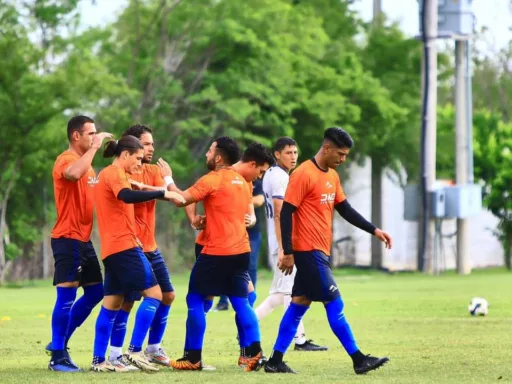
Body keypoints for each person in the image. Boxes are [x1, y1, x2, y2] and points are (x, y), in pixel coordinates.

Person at [264, 127, 392, 375]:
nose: (343, 159)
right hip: (308, 251)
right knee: (335, 302)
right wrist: (288, 251)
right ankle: (358, 359)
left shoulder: (332, 176)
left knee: (298, 304)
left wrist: (374, 230)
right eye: (341, 154)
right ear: (327, 148)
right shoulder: (303, 174)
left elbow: (345, 209)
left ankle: (275, 361)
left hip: (320, 251)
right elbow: (287, 212)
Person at [167, 137, 264, 371]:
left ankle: (192, 358)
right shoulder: (243, 181)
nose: (206, 154)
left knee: (196, 300)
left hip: (216, 252)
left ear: (218, 157)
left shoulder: (212, 179)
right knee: (242, 302)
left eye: (209, 151)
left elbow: (181, 199)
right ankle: (255, 354)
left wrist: (166, 181)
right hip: (241, 251)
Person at [90, 135, 184, 372]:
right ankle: (134, 350)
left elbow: (135, 189)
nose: (140, 164)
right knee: (155, 294)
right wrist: (162, 193)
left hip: (113, 248)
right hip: (124, 246)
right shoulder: (114, 174)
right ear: (125, 155)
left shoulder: (116, 174)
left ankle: (101, 361)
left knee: (112, 303)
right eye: (138, 158)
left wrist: (160, 189)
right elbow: (126, 196)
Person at [47, 116, 112, 372]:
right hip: (67, 237)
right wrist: (96, 147)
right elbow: (72, 174)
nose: (95, 137)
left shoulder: (91, 167)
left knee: (97, 292)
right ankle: (57, 357)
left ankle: (58, 342)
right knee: (66, 296)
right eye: (90, 134)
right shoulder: (67, 159)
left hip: (83, 241)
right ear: (76, 136)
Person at [256, 137, 328, 352]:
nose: (293, 157)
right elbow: (279, 213)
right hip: (284, 242)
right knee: (289, 293)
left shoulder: (273, 174)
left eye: (295, 152)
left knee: (281, 295)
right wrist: (284, 248)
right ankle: (299, 340)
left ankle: (246, 324)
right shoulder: (279, 177)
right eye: (288, 152)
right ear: (277, 154)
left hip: (281, 241)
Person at [214, 177, 265, 312]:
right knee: (227, 265)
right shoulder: (232, 180)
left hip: (253, 233)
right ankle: (223, 301)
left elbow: (260, 199)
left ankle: (249, 300)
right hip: (232, 231)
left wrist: (240, 201)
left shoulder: (256, 182)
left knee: (251, 266)